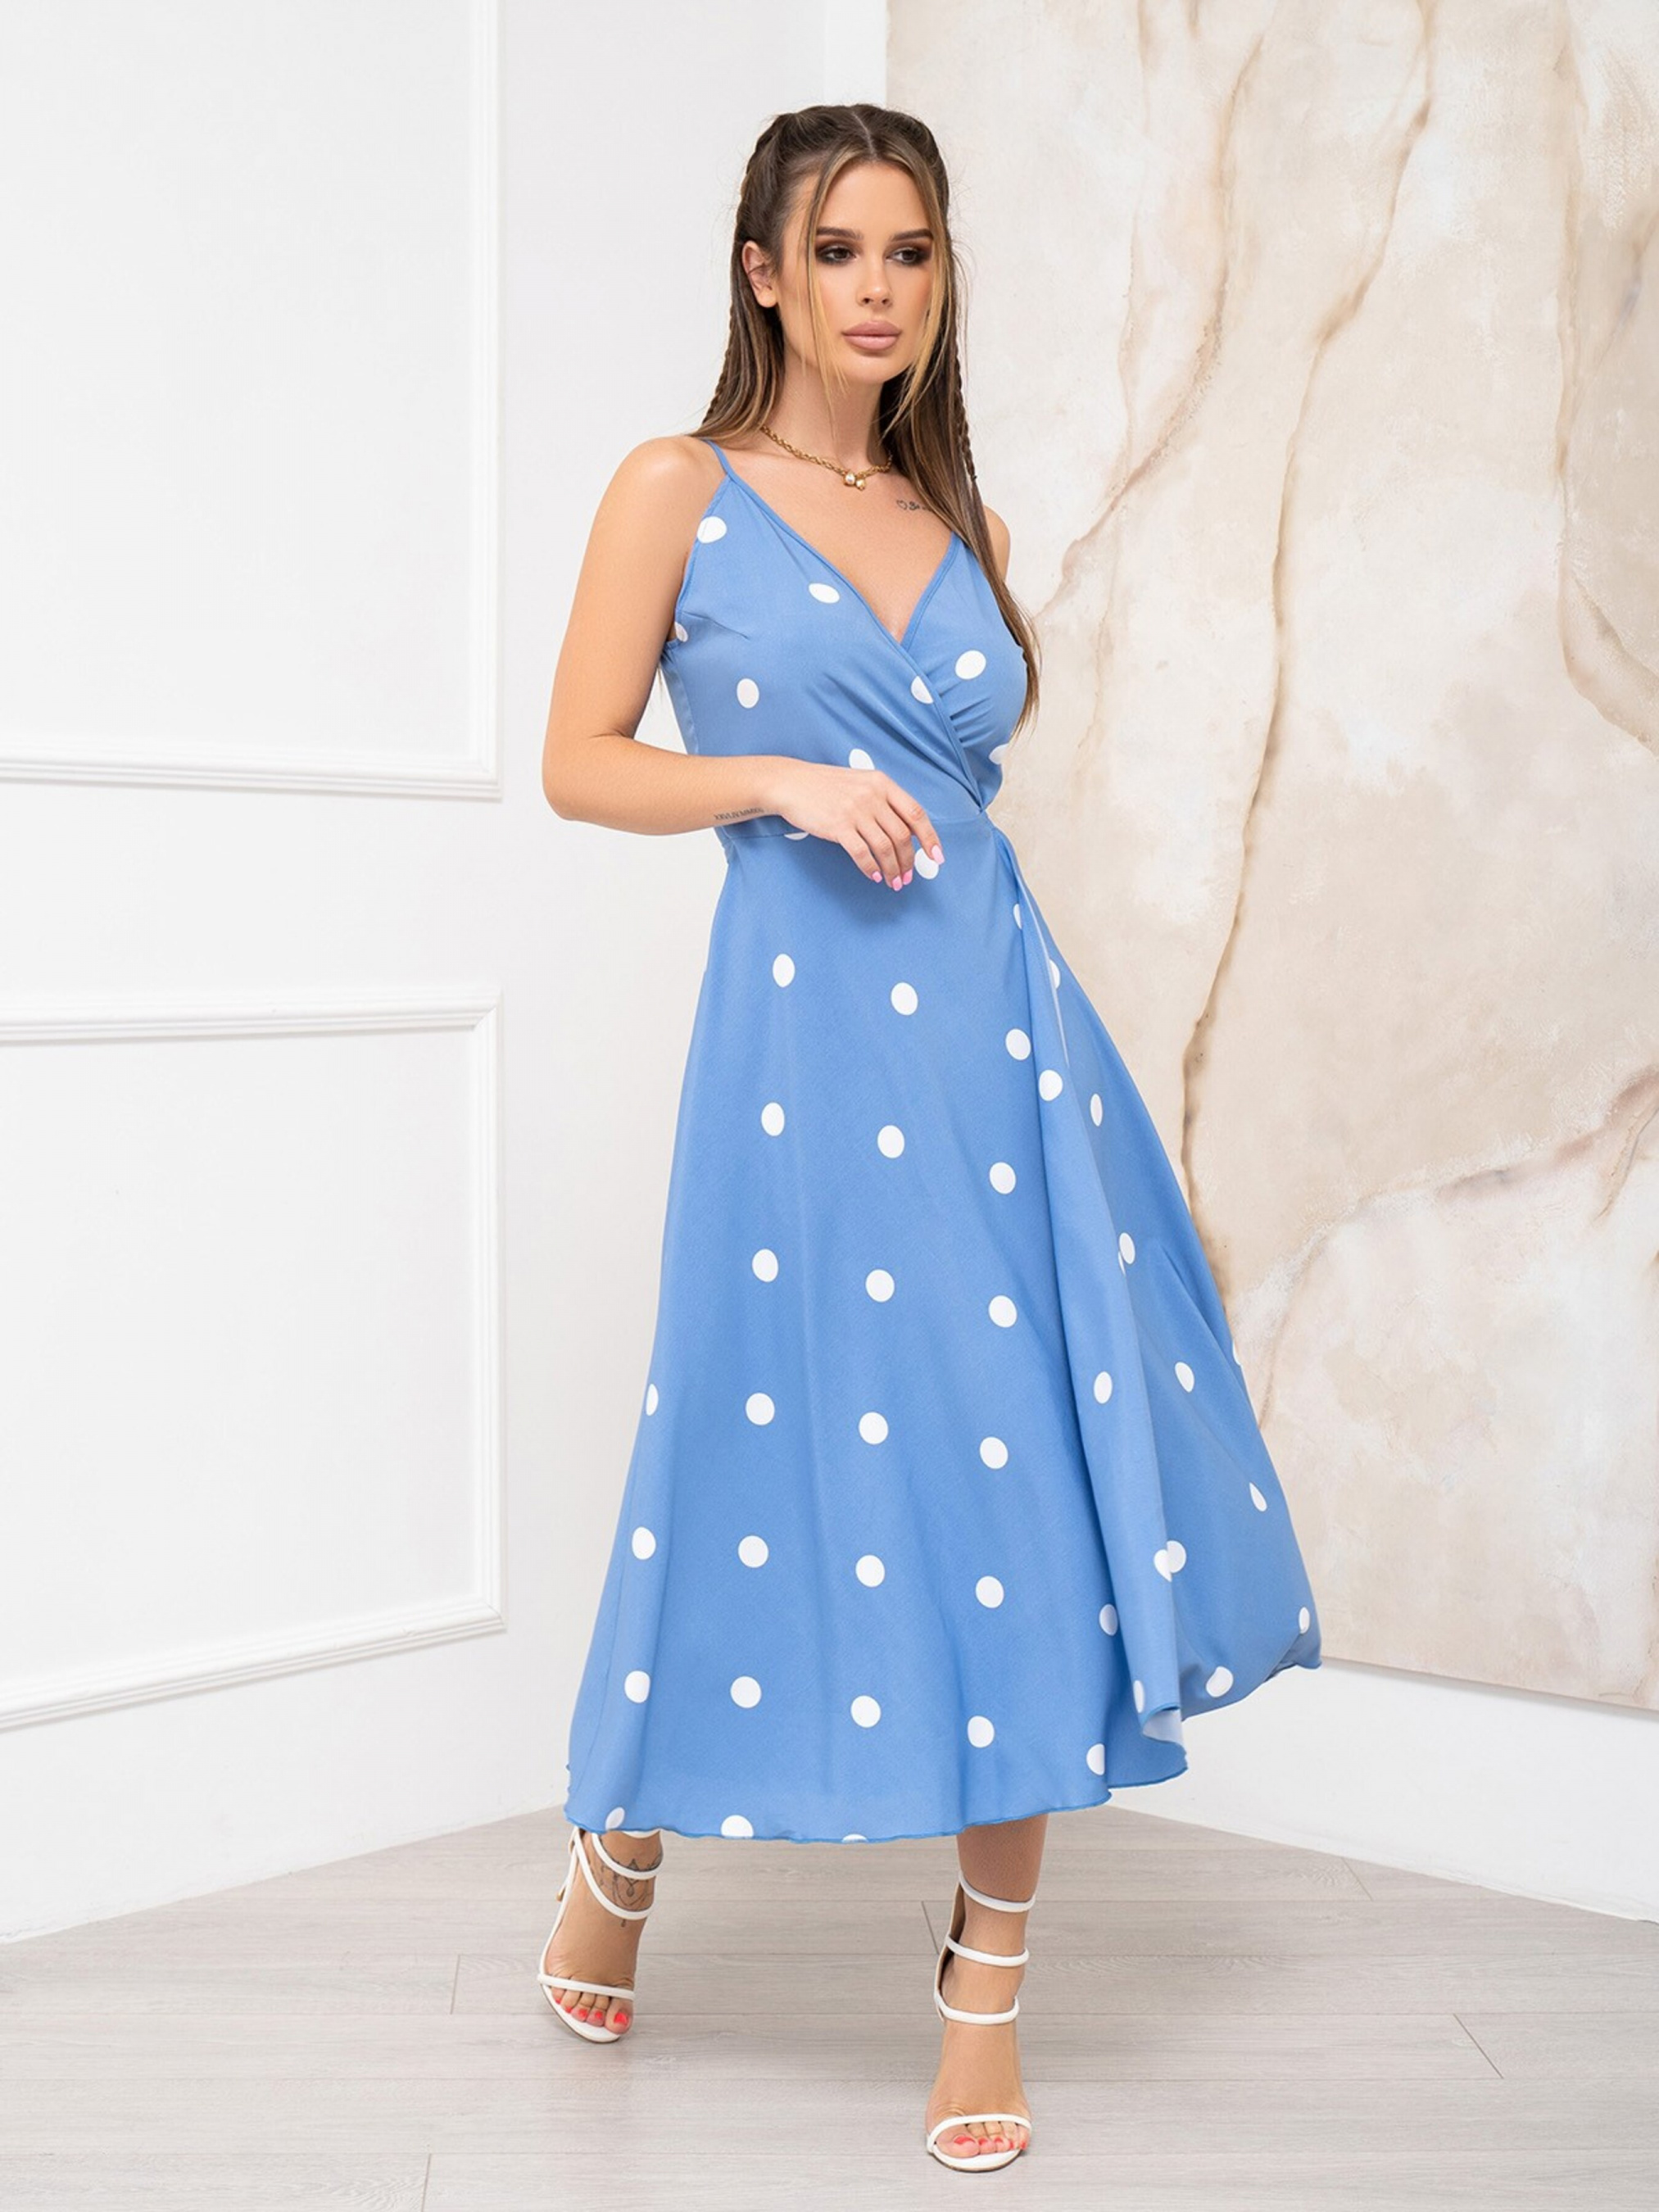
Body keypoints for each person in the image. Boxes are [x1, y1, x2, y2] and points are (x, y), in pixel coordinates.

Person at [536, 102, 1322, 2173]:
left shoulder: (945, 503)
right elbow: (577, 762)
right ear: (761, 272)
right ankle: (620, 1845)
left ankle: (983, 1990)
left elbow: (959, 805)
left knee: (1022, 1482)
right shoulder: (676, 487)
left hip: (1001, 1046)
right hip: (799, 1054)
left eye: (910, 251)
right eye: (838, 250)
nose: (878, 289)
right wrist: (776, 784)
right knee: (747, 1445)